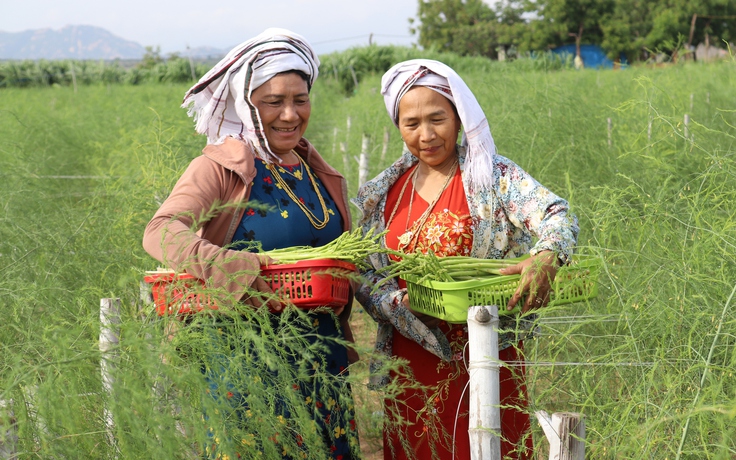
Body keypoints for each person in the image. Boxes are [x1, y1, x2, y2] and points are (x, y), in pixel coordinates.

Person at [142, 28, 360, 459]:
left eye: (300, 99)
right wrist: (226, 265)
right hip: (246, 362)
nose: (290, 114)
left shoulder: (318, 172)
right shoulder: (221, 167)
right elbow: (162, 229)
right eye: (273, 102)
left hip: (322, 363)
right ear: (246, 104)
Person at [352, 59, 579, 459]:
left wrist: (547, 255)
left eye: (437, 118)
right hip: (413, 356)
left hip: (487, 353)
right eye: (411, 123)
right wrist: (395, 304)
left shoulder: (490, 176)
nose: (426, 135)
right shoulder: (389, 191)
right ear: (398, 127)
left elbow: (556, 214)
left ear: (459, 116)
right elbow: (365, 272)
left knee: (489, 444)